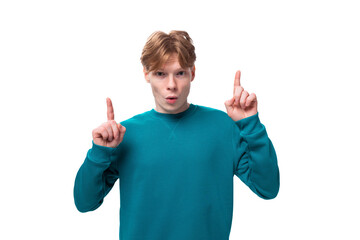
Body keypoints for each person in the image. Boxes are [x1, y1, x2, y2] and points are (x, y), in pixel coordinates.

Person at [73, 30, 280, 240]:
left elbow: (268, 188)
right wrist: (99, 153)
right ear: (146, 74)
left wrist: (251, 125)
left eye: (180, 73)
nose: (171, 84)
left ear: (193, 73)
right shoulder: (123, 134)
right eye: (160, 73)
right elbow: (84, 202)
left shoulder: (223, 127)